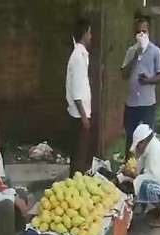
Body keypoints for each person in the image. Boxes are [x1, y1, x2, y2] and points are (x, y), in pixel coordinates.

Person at [123, 124, 160, 228]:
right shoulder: (150, 147)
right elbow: (140, 165)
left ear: (143, 142)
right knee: (143, 183)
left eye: (138, 145)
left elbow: (153, 178)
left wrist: (135, 176)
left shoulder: (155, 150)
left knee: (147, 187)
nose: (137, 149)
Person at [121, 16, 160, 156]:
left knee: (148, 139)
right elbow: (124, 74)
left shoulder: (156, 52)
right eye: (139, 32)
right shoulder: (130, 51)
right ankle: (128, 170)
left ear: (149, 32)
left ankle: (148, 168)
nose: (141, 35)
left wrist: (149, 80)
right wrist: (136, 56)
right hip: (132, 103)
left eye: (144, 32)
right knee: (130, 138)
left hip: (147, 103)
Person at [65, 17, 93, 176]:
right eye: (90, 33)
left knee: (80, 155)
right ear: (84, 33)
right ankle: (75, 186)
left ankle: (77, 184)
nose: (91, 37)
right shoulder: (77, 57)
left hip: (80, 114)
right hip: (78, 115)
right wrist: (84, 116)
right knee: (78, 157)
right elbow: (76, 92)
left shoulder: (82, 55)